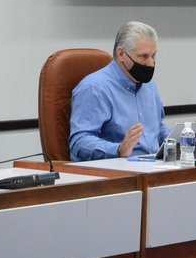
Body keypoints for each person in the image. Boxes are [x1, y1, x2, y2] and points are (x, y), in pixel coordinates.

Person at [69, 21, 170, 161]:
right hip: (114, 172)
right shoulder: (94, 88)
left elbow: (157, 128)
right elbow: (79, 142)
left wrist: (179, 139)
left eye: (154, 56)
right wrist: (118, 150)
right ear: (121, 54)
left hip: (154, 167)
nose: (151, 63)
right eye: (144, 56)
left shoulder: (149, 85)